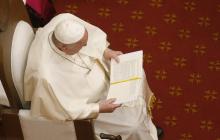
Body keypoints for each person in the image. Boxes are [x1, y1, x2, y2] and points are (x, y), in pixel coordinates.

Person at [24, 13, 158, 140]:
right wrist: (98, 108)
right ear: (64, 48)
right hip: (91, 105)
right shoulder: (45, 76)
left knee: (138, 74)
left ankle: (146, 127)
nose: (86, 46)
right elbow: (64, 109)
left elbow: (92, 38)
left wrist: (105, 51)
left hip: (102, 74)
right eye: (82, 45)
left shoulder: (63, 20)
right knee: (132, 126)